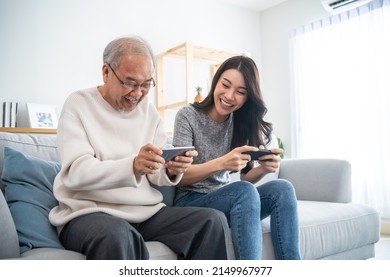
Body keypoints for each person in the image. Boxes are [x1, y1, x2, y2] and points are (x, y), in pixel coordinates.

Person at [48, 36, 231, 260]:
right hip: (87, 213)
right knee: (118, 235)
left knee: (212, 221)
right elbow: (76, 173)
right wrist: (133, 166)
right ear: (106, 72)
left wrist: (172, 169)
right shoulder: (78, 104)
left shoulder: (149, 111)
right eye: (130, 83)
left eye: (146, 85)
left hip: (144, 213)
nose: (137, 93)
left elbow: (157, 173)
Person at [172, 55, 301, 260]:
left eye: (240, 92)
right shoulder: (187, 116)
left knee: (282, 188)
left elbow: (245, 178)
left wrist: (263, 169)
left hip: (229, 200)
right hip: (190, 203)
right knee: (243, 192)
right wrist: (221, 163)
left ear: (247, 98)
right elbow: (180, 176)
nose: (230, 96)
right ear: (216, 82)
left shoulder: (240, 122)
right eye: (226, 84)